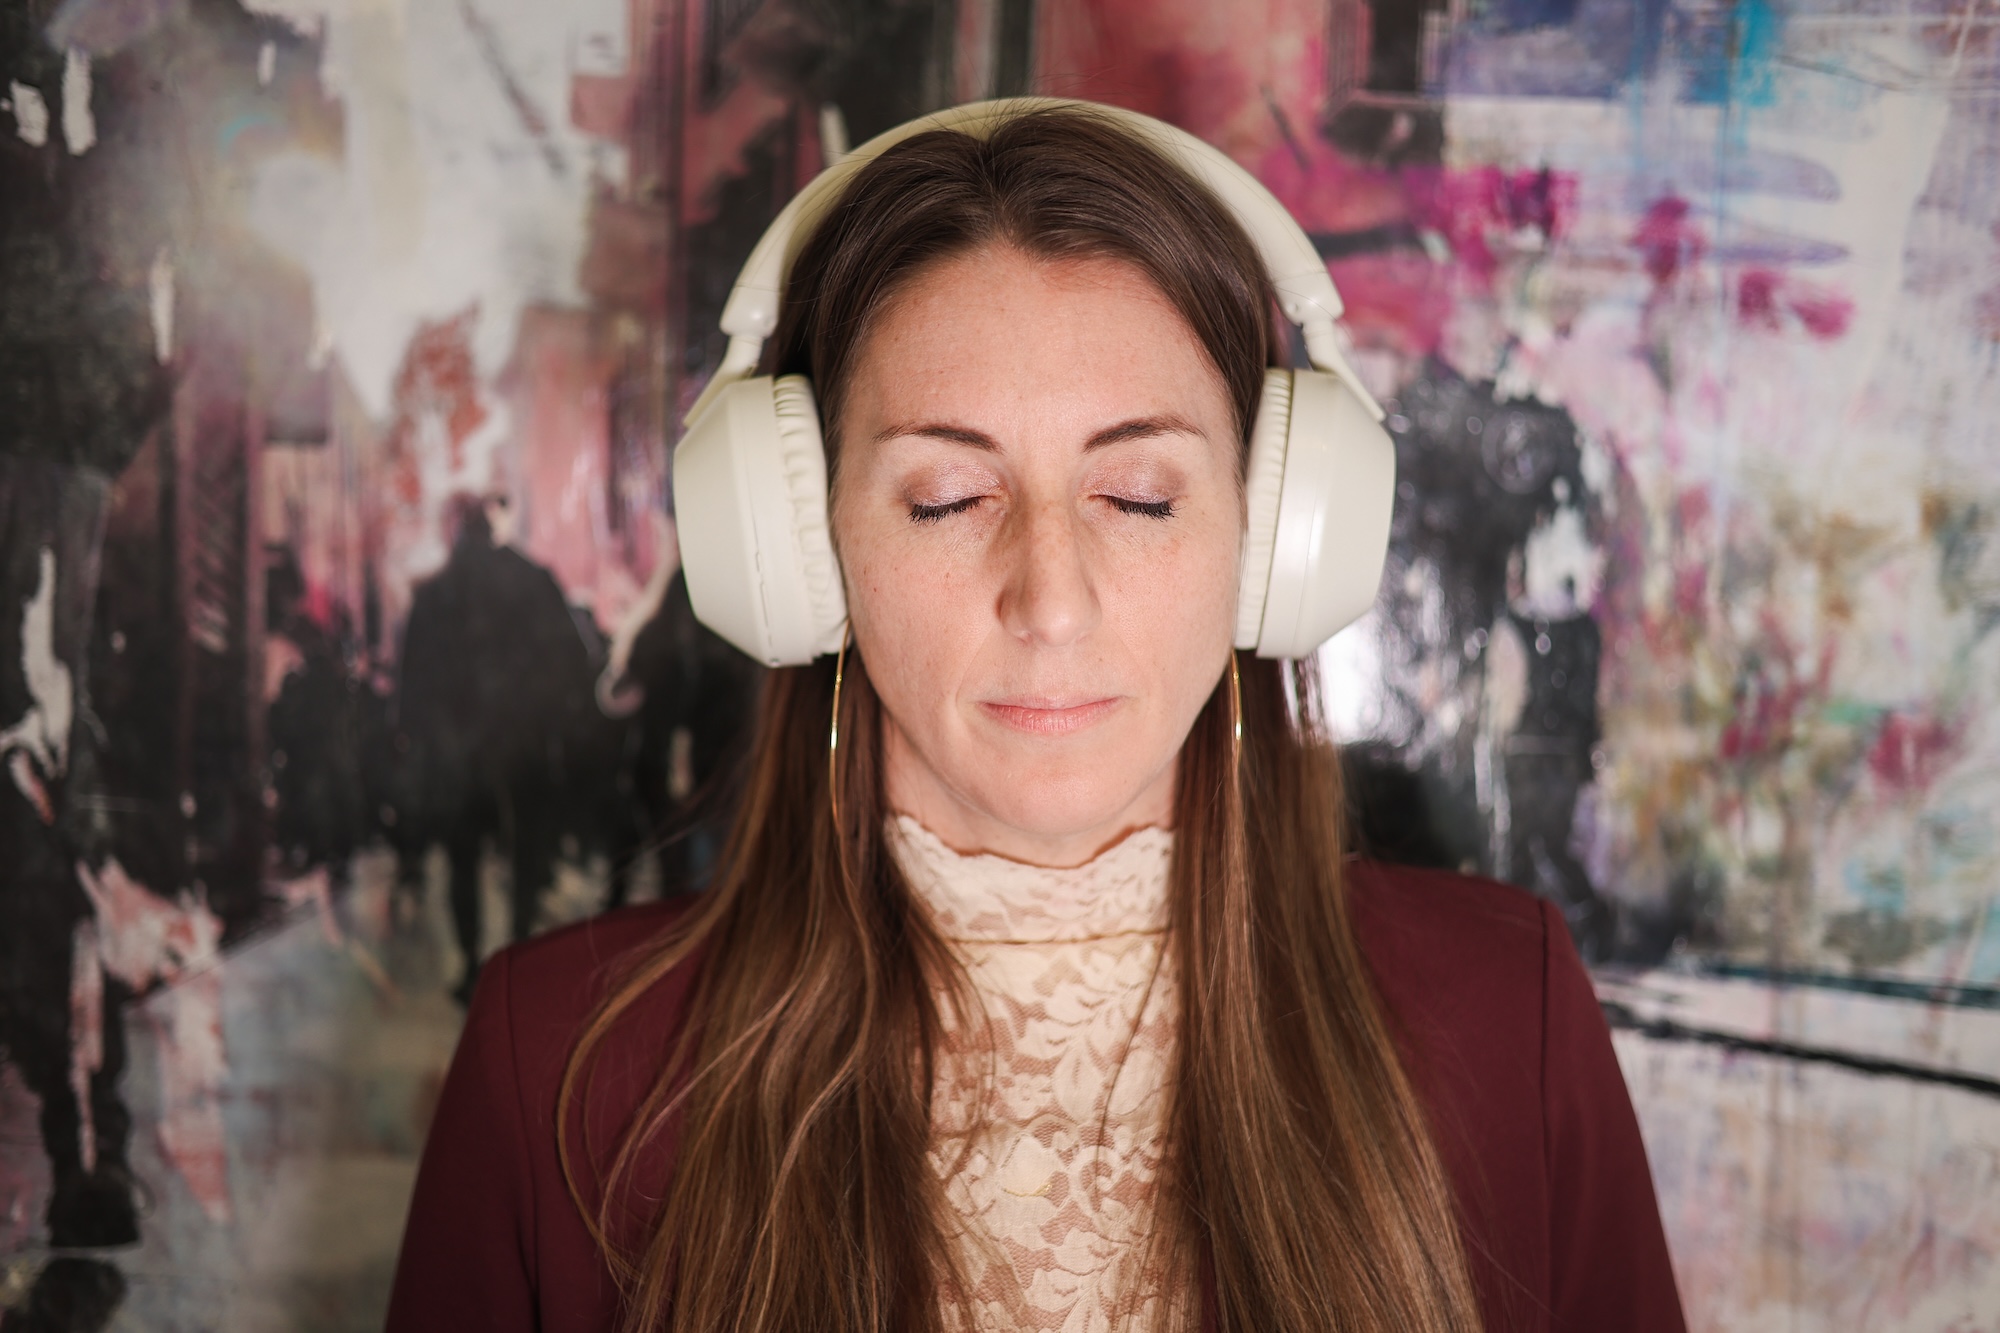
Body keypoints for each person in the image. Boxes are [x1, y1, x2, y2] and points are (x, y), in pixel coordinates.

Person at [386, 101, 1685, 1332]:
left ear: (1277, 539)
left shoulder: (1511, 1013)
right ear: (802, 551)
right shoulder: (551, 1068)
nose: (1050, 602)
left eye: (1138, 495)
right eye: (947, 497)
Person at [395, 493, 596, 1001]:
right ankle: (521, 951)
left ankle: (470, 966)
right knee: (526, 850)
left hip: (459, 751)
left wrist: (426, 745)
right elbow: (575, 661)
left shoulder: (436, 594)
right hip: (524, 741)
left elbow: (413, 689)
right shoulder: (534, 581)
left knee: (463, 858)